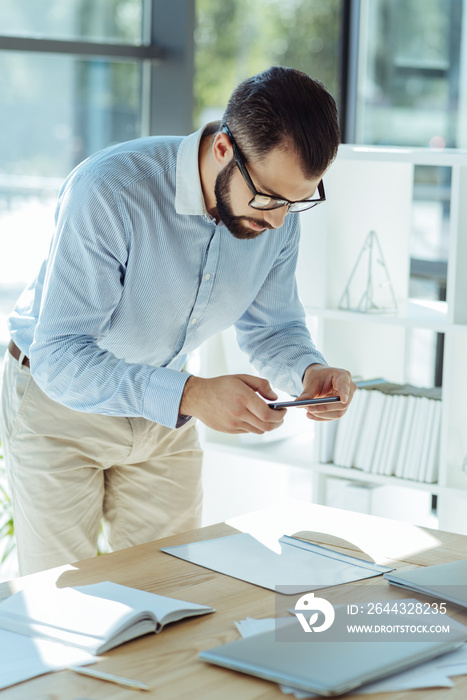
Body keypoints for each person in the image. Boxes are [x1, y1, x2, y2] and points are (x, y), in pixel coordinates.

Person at [0, 65, 356, 575]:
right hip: (61, 406)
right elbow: (61, 355)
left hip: (165, 415)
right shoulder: (110, 189)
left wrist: (306, 371)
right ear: (222, 151)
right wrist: (192, 395)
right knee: (63, 600)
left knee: (171, 587)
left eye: (298, 202)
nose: (278, 219)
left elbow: (273, 326)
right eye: (270, 198)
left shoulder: (278, 215)